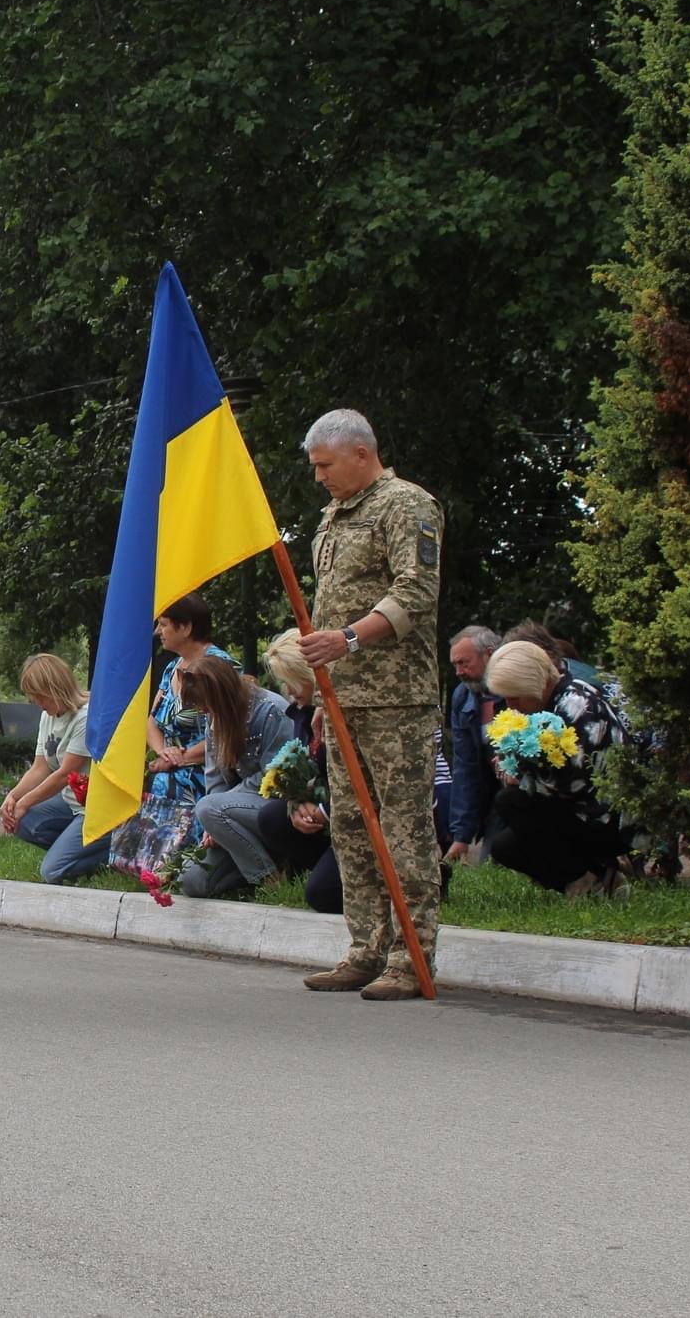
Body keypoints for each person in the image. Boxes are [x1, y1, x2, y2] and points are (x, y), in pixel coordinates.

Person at [298, 408, 444, 1001]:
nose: (319, 479)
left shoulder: (406, 505)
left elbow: (416, 592)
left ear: (361, 453)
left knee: (403, 831)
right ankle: (364, 949)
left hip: (395, 698)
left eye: (325, 466)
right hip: (343, 697)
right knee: (352, 829)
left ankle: (413, 958)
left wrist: (350, 639)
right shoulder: (335, 515)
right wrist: (322, 692)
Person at [481, 640, 635, 896]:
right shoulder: (558, 699)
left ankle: (583, 879)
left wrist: (520, 775)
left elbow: (571, 782)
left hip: (607, 819)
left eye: (514, 697)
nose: (511, 706)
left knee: (511, 801)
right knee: (505, 847)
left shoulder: (576, 706)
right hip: (586, 813)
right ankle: (601, 876)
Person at [107, 594, 233, 875]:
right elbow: (151, 721)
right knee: (156, 781)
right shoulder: (170, 668)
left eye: (163, 624)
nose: (157, 632)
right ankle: (154, 863)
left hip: (207, 771)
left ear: (185, 627)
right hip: (171, 764)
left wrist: (181, 758)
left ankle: (176, 863)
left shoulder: (220, 667)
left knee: (168, 782)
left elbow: (227, 731)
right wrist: (164, 751)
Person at [178, 655, 299, 898]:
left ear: (220, 695)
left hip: (274, 808)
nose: (202, 712)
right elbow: (215, 778)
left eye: (205, 705)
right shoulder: (214, 716)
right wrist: (213, 825)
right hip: (230, 813)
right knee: (191, 882)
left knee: (208, 808)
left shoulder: (272, 710)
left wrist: (216, 810)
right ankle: (256, 864)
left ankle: (267, 880)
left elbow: (275, 777)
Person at [250, 630, 343, 913]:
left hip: (357, 816)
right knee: (272, 816)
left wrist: (324, 811)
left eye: (291, 682)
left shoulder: (342, 712)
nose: (288, 692)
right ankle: (319, 865)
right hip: (328, 810)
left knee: (322, 897)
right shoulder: (302, 713)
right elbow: (308, 766)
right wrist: (297, 803)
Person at [0, 653, 109, 883]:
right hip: (71, 802)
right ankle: (79, 849)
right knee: (22, 820)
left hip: (95, 808)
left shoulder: (85, 716)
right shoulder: (48, 716)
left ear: (57, 688)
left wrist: (25, 802)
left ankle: (110, 855)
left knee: (52, 872)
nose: (38, 703)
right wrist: (13, 797)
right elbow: (40, 767)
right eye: (34, 698)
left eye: (41, 697)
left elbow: (64, 774)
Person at [444, 624, 503, 862]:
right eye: (455, 665)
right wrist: (462, 835)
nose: (459, 671)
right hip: (495, 796)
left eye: (464, 663)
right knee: (493, 857)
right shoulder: (462, 697)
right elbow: (465, 766)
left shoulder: (518, 688)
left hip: (530, 791)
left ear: (489, 653)